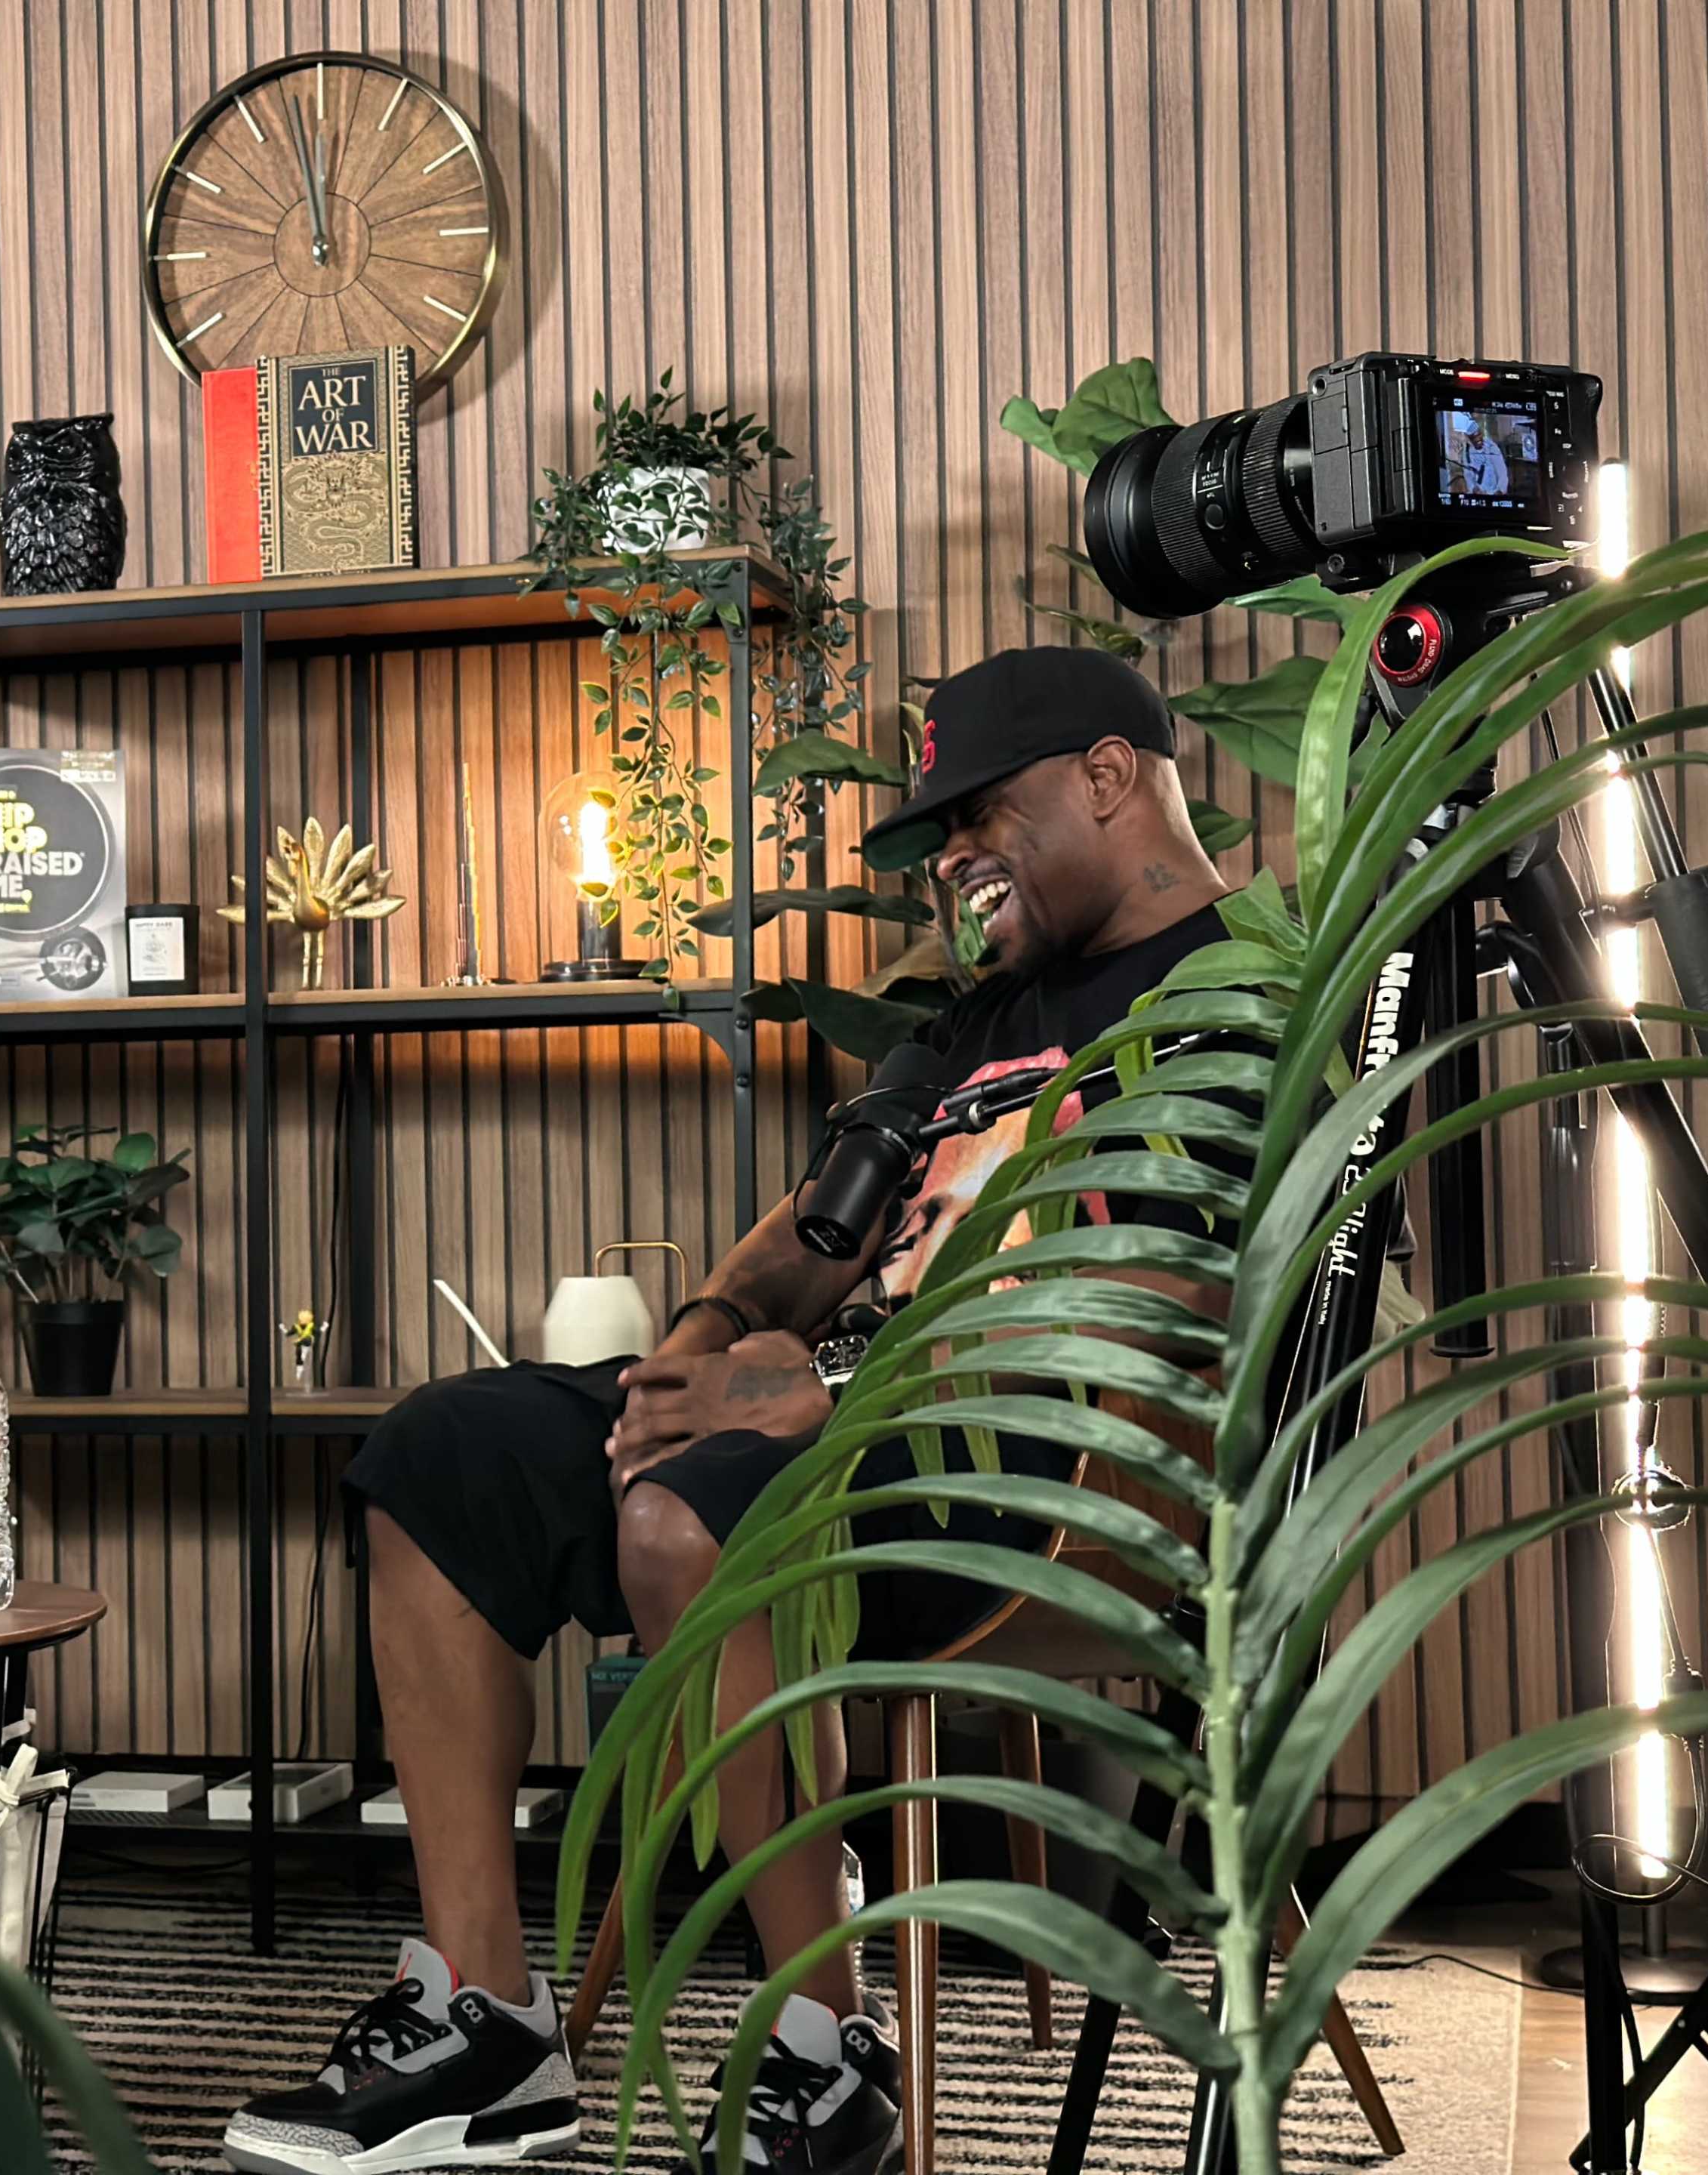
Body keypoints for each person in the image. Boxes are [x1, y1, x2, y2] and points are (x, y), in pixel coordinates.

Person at [223, 648, 1239, 2175]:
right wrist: (689, 1357)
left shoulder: (1235, 994)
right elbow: (815, 1237)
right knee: (447, 1453)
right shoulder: (977, 1021)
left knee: (686, 1511)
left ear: (1108, 777)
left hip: (1068, 1469)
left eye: (980, 818)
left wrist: (823, 1404)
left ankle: (830, 2056)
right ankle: (485, 2021)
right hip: (865, 1419)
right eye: (938, 835)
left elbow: (1176, 1321)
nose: (955, 861)